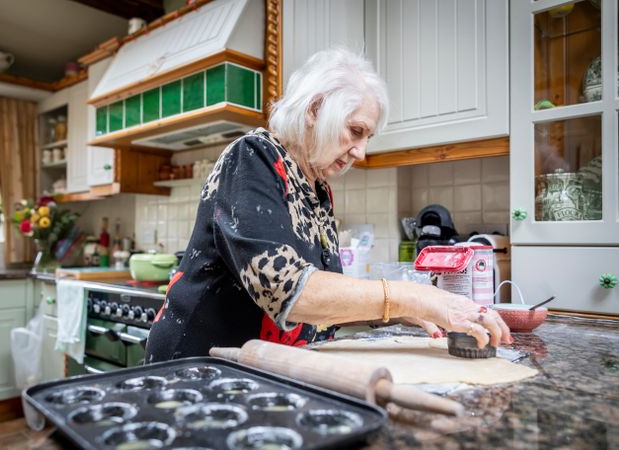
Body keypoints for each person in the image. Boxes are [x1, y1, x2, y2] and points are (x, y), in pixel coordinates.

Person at [145, 48, 511, 362]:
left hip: (262, 367)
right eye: (355, 131)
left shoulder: (316, 186)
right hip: (199, 366)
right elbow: (290, 291)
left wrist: (397, 314)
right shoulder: (253, 158)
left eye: (367, 137)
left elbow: (322, 305)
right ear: (315, 109)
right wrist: (411, 298)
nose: (361, 151)